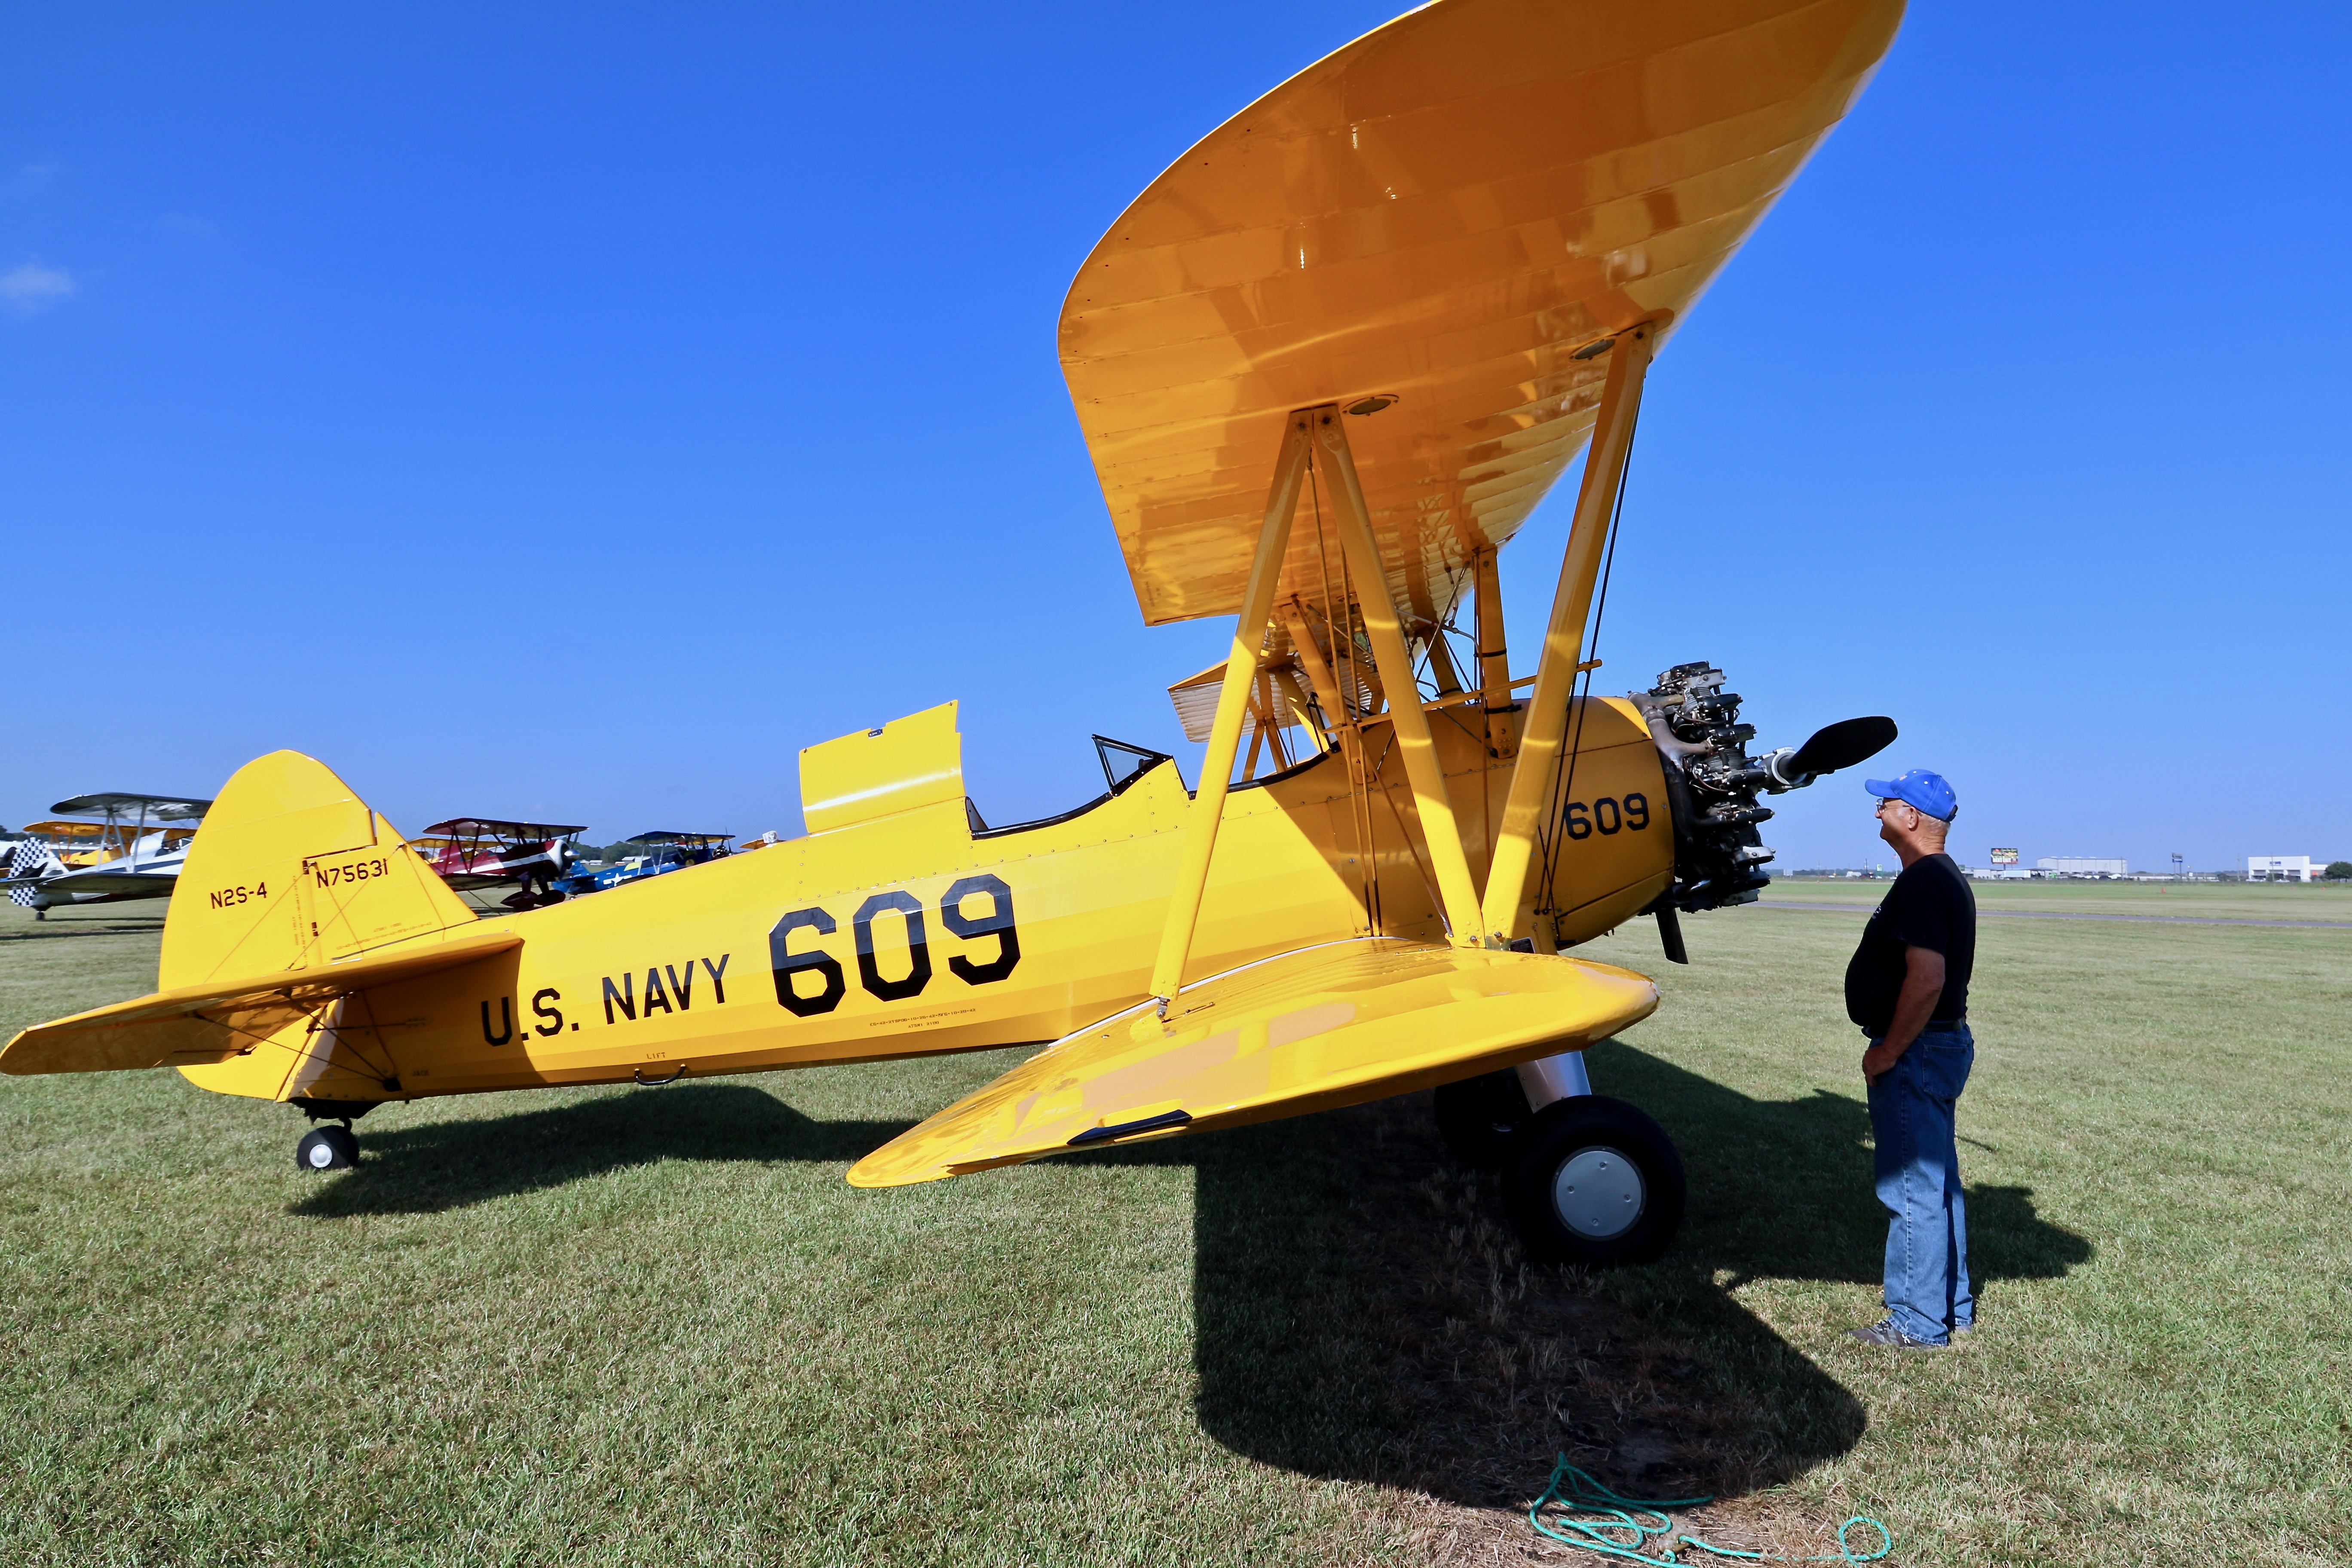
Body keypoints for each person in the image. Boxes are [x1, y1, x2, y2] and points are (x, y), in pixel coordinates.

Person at [1844, 769, 1976, 1350]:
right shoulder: (1939, 878)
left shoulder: (1924, 881)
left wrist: (1888, 1051)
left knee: (1911, 1188)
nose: (1877, 813)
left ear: (1913, 817)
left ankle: (1918, 1324)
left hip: (1917, 1052)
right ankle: (1953, 1306)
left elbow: (1926, 980)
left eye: (1886, 804)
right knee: (1937, 1181)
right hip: (1937, 1045)